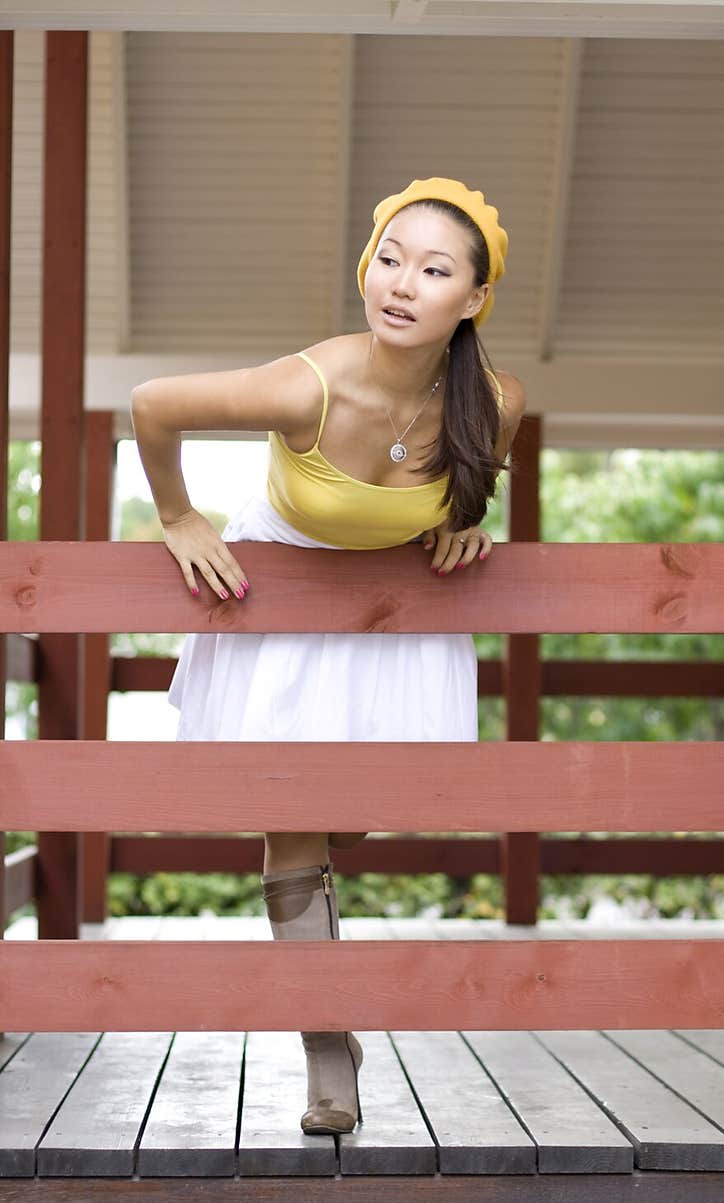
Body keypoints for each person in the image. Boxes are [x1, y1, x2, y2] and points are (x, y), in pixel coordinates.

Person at [130, 176, 526, 1138]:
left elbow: (468, 491)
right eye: (388, 259)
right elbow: (153, 402)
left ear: (471, 300)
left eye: (433, 270)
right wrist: (178, 516)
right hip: (288, 610)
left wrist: (471, 528)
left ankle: (323, 954)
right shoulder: (310, 382)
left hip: (393, 620)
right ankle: (326, 1049)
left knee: (355, 811)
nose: (402, 283)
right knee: (295, 834)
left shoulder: (496, 402)